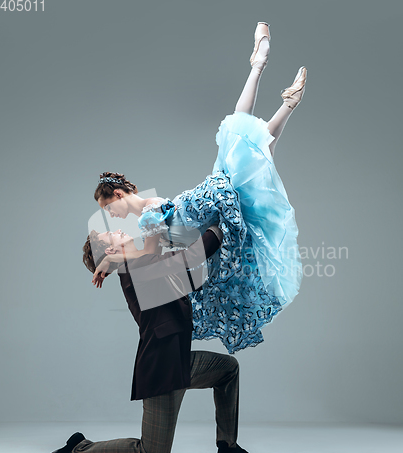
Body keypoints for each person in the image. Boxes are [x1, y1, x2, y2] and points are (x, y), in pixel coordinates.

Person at [91, 22, 307, 354]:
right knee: (253, 157)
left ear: (117, 195)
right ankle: (285, 101)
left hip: (207, 205)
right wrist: (114, 259)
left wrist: (110, 261)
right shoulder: (149, 208)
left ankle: (260, 68)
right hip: (207, 205)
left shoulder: (147, 214)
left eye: (109, 209)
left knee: (239, 138)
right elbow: (147, 254)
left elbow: (148, 253)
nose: (112, 216)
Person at [47, 225, 250, 453]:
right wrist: (219, 226)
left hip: (180, 363)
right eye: (109, 234)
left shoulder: (142, 264)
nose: (118, 229)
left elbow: (188, 277)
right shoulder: (137, 268)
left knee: (228, 369)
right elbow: (191, 258)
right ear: (111, 249)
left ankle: (228, 446)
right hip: (162, 372)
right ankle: (78, 449)